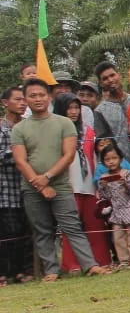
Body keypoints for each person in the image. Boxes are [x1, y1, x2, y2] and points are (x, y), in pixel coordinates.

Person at [12, 80, 111, 280]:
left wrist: (47, 177)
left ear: (49, 97)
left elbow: (68, 155)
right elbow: (20, 161)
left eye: (41, 95)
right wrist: (40, 184)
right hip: (32, 187)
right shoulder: (19, 128)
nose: (38, 99)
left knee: (72, 226)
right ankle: (51, 271)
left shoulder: (64, 123)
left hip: (61, 185)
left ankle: (90, 265)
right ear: (26, 99)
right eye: (32, 95)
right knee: (42, 230)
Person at [53, 94, 112, 270]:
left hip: (88, 184)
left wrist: (97, 182)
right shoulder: (56, 132)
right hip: (68, 184)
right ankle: (72, 265)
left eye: (76, 108)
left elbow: (93, 157)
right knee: (71, 226)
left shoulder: (88, 131)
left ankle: (102, 261)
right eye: (69, 108)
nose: (74, 112)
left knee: (95, 223)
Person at [0, 86, 34, 285]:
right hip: (5, 190)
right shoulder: (2, 128)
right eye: (17, 99)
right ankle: (4, 273)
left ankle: (22, 271)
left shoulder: (28, 126)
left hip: (28, 187)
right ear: (5, 103)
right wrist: (21, 155)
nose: (22, 103)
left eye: (24, 100)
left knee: (25, 232)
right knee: (7, 233)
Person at [94, 141, 130, 269]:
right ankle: (124, 260)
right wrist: (103, 187)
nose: (111, 162)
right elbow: (105, 197)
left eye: (114, 158)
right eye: (107, 159)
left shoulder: (127, 173)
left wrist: (126, 184)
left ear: (120, 159)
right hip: (116, 210)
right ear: (103, 162)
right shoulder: (104, 177)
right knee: (118, 236)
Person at [93, 61, 130, 165]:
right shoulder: (100, 110)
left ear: (118, 75)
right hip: (121, 164)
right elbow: (104, 142)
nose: (110, 80)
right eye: (105, 78)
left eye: (112, 75)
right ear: (101, 83)